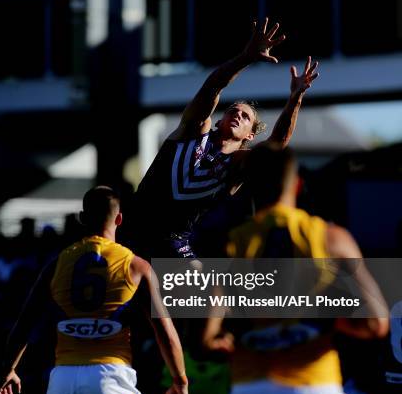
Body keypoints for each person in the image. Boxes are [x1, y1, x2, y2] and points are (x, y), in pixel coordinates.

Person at [202, 146, 389, 394]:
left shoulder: (228, 244)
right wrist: (322, 321)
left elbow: (205, 338)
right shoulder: (331, 237)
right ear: (299, 185)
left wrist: (243, 339)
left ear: (250, 186)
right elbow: (376, 322)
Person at [0, 186, 188, 394]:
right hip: (110, 377)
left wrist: (9, 369)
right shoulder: (136, 265)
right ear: (120, 219)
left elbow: (24, 323)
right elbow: (164, 331)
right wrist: (180, 381)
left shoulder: (57, 263)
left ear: (83, 219)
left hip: (64, 380)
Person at [132, 17, 319, 260]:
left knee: (199, 288)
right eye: (233, 111)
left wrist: (295, 97)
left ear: (250, 134)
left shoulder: (238, 165)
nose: (237, 115)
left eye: (245, 116)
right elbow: (212, 88)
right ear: (220, 120)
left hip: (173, 241)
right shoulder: (195, 129)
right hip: (134, 223)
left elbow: (277, 143)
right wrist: (246, 57)